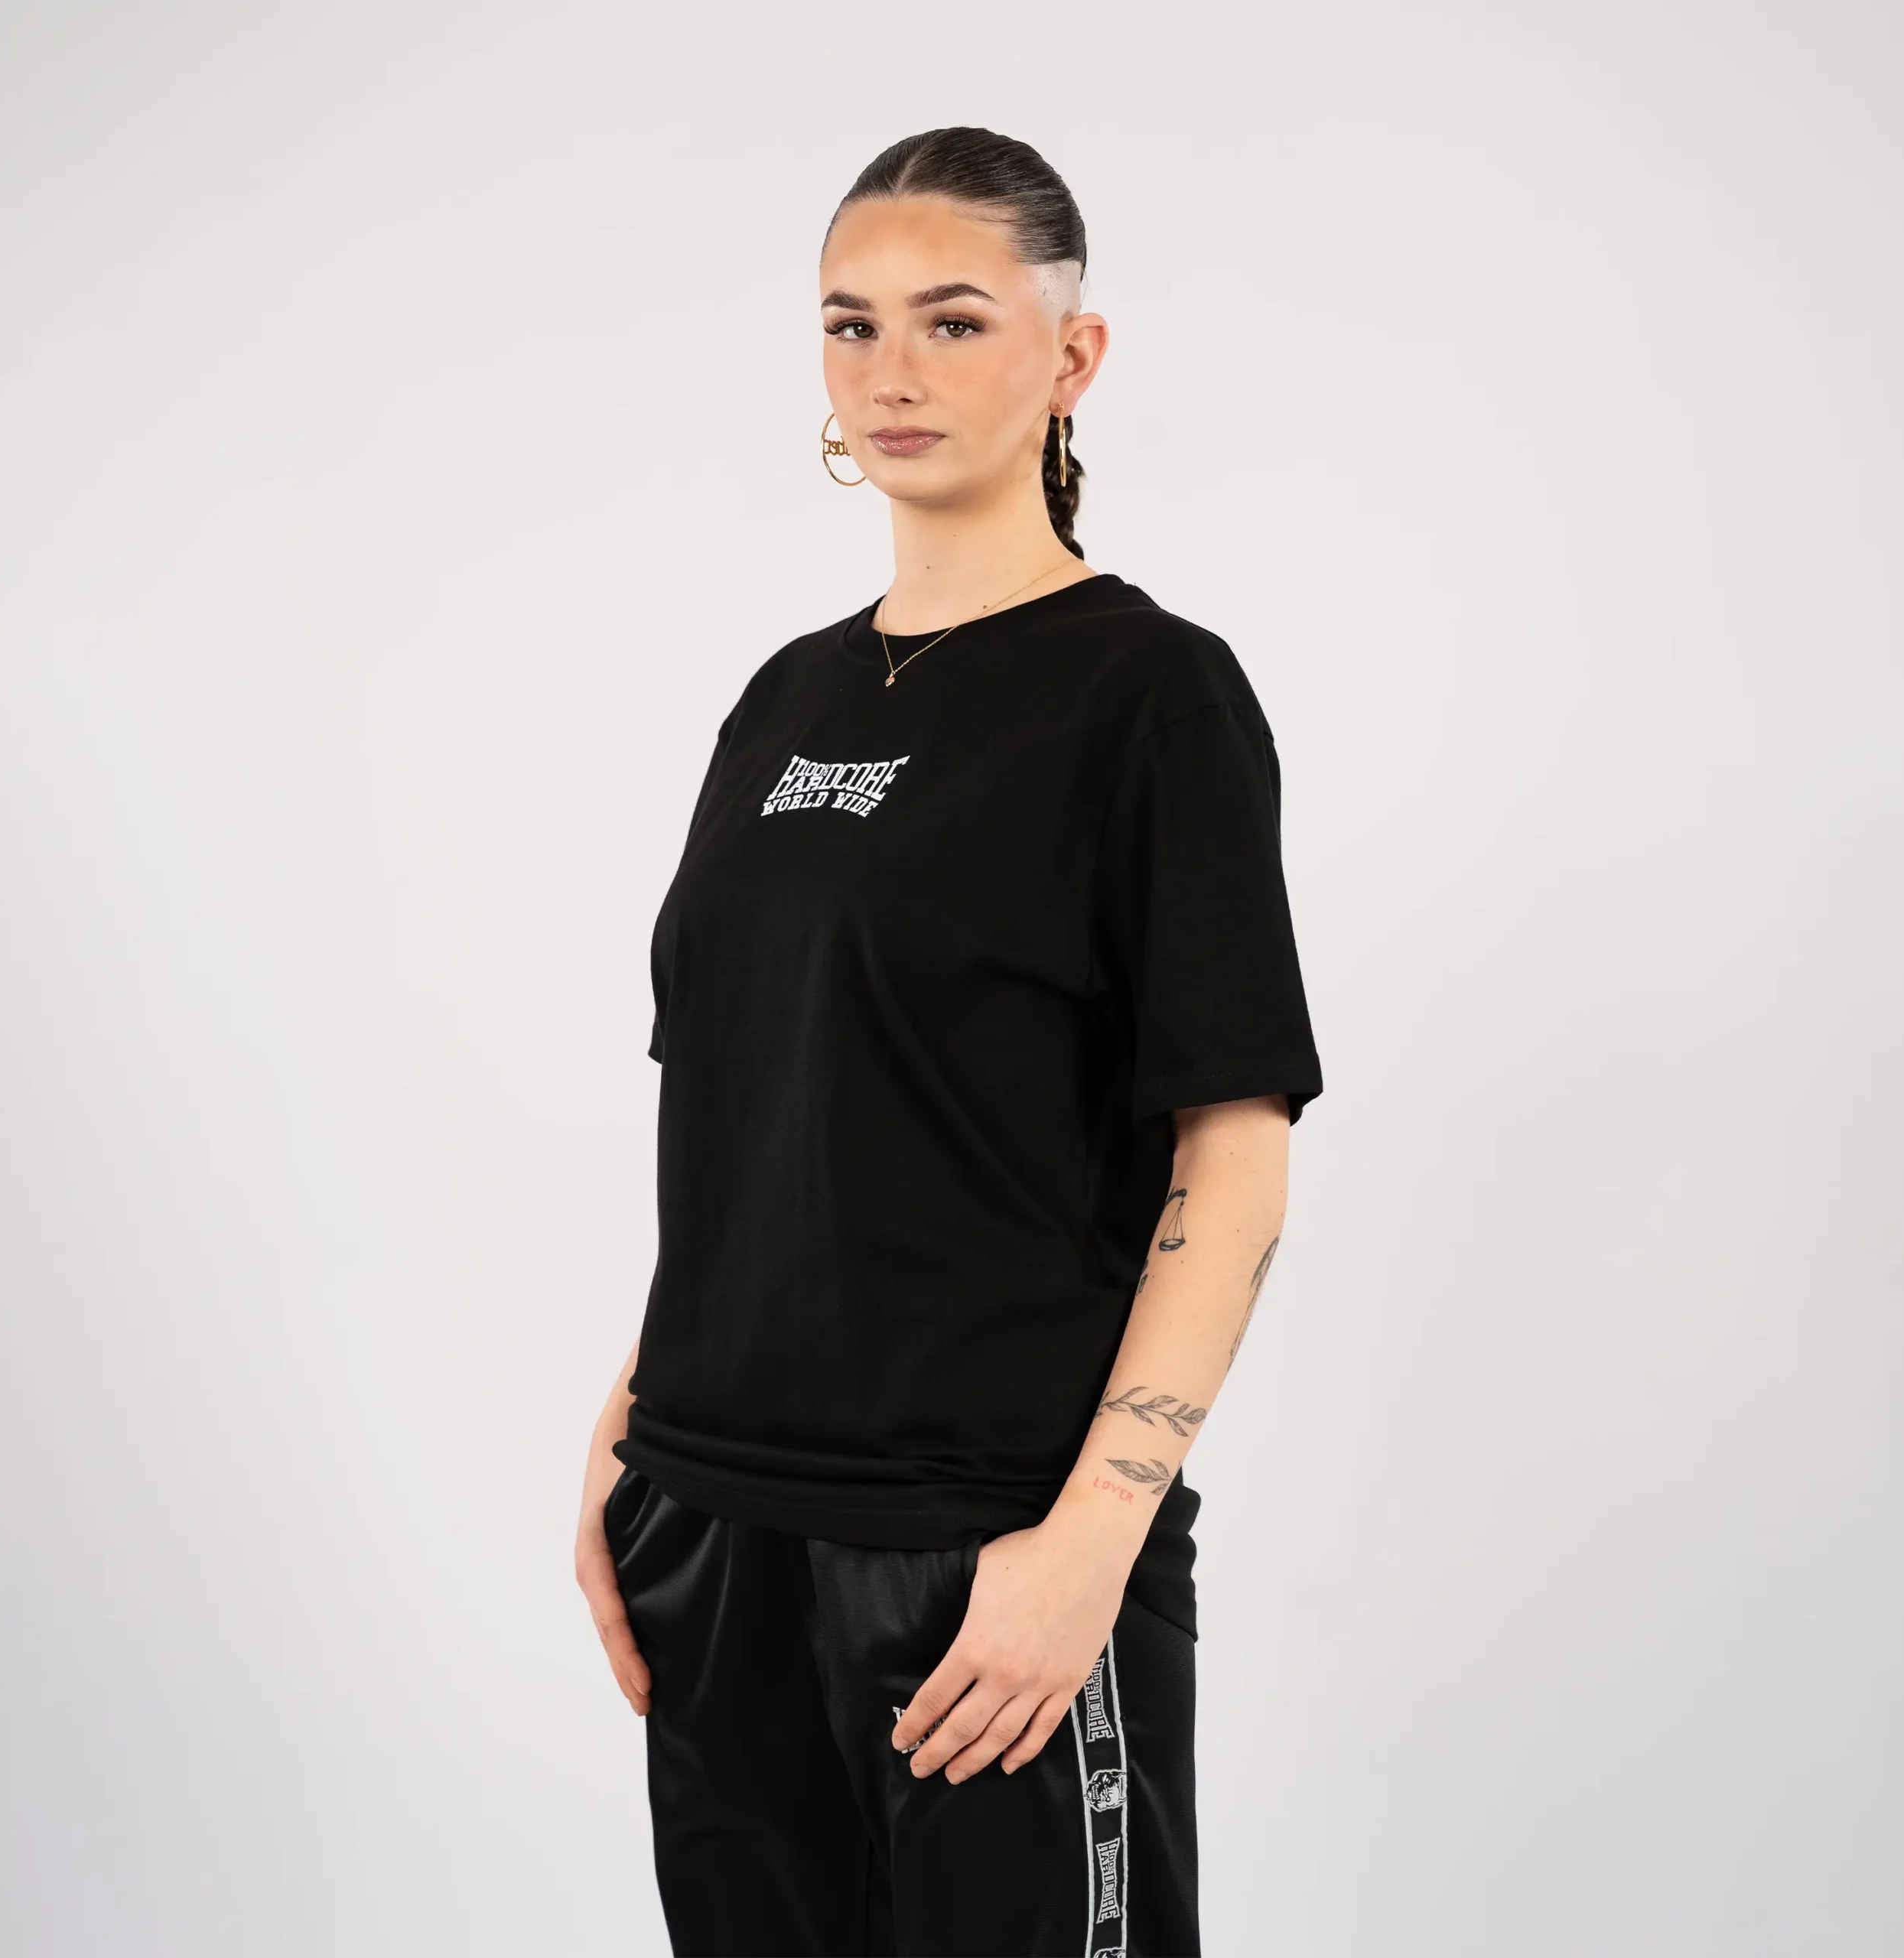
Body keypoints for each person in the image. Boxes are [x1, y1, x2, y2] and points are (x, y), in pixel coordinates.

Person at [574, 126, 1323, 1958]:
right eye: (850, 324)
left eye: (952, 319)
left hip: (989, 1550)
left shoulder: (1148, 696)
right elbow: (764, 1109)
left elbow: (1231, 1156)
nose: (890, 371)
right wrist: (627, 1429)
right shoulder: (781, 697)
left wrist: (1090, 1542)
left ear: (1072, 356)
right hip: (708, 1516)